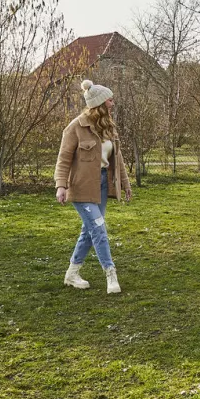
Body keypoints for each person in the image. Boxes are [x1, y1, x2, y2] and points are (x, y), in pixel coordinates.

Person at [54, 79, 131, 292]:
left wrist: (125, 183)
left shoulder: (108, 128)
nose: (113, 103)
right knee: (99, 230)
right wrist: (61, 186)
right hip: (81, 187)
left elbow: (118, 159)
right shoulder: (75, 128)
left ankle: (72, 273)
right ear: (99, 103)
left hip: (103, 185)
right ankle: (110, 274)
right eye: (110, 100)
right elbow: (63, 159)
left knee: (89, 231)